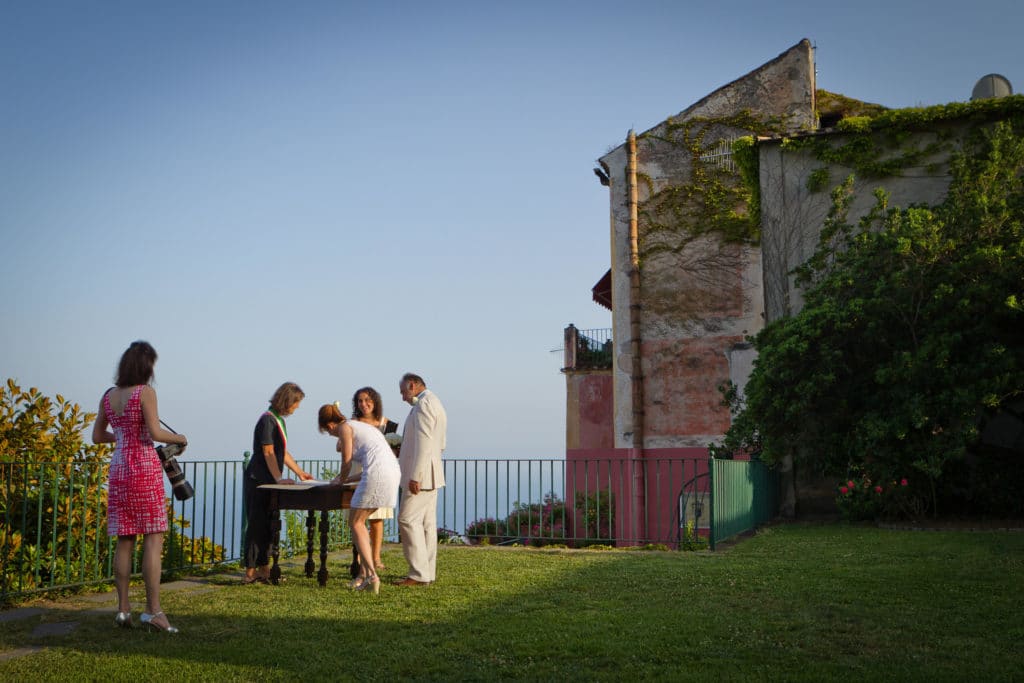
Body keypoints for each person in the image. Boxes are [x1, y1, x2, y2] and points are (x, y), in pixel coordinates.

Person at [92, 341, 188, 633]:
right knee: (153, 538)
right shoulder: (145, 393)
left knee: (124, 540)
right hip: (143, 469)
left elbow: (97, 436)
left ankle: (123, 611)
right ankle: (153, 611)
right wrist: (180, 438)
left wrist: (122, 437)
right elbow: (156, 431)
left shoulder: (109, 396)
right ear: (146, 367)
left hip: (119, 469)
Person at [318, 402, 401, 594]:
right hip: (390, 473)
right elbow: (371, 463)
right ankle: (364, 574)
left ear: (329, 426)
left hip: (378, 474)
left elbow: (346, 460)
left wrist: (341, 479)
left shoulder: (346, 427)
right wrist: (343, 479)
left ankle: (371, 575)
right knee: (359, 522)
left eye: (330, 433)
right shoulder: (360, 426)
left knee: (356, 523)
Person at [243, 382, 313, 585]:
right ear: (288, 401)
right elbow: (268, 451)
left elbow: (282, 453)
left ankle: (264, 570)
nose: (296, 408)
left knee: (268, 525)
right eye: (296, 403)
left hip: (268, 480)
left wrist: (299, 472)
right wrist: (278, 479)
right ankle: (250, 572)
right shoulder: (267, 421)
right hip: (259, 480)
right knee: (256, 525)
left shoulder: (277, 420)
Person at [395, 373, 447, 586]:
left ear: (412, 385)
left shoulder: (424, 405)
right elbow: (441, 443)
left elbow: (425, 443)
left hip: (422, 476)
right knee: (426, 524)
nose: (402, 397)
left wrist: (416, 475)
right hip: (432, 474)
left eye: (402, 392)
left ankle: (418, 574)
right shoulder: (436, 402)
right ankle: (427, 572)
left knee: (407, 520)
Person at [350, 386, 399, 573]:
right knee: (356, 517)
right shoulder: (352, 423)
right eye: (360, 401)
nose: (364, 404)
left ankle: (376, 557)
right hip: (358, 470)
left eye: (367, 400)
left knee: (377, 519)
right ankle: (358, 557)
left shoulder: (388, 425)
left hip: (378, 473)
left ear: (375, 401)